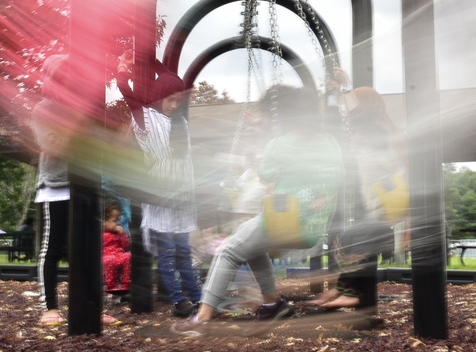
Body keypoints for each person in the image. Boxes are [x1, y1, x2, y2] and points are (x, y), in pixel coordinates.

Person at [172, 85, 343, 336]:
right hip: (315, 227)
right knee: (248, 242)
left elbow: (267, 175)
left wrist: (258, 156)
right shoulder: (331, 142)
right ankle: (273, 302)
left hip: (285, 223)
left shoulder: (279, 144)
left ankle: (202, 317)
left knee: (228, 250)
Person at [33, 54, 120, 326]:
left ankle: (93, 305)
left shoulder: (86, 109)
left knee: (89, 248)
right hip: (57, 186)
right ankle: (50, 308)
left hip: (84, 186)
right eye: (62, 79)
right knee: (53, 248)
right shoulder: (43, 110)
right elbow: (55, 147)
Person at [311, 69, 406, 312]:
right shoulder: (377, 131)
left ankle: (353, 294)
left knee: (359, 242)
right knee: (356, 242)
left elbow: (358, 115)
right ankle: (344, 290)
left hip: (381, 202)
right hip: (377, 201)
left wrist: (345, 89)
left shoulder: (377, 131)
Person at [116, 52, 203, 318]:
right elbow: (130, 97)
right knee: (166, 253)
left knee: (184, 252)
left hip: (182, 195)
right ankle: (178, 301)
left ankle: (199, 299)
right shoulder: (147, 119)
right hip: (162, 195)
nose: (174, 104)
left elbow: (171, 80)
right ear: (158, 96)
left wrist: (152, 61)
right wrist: (122, 71)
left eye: (178, 99)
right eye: (169, 99)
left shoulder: (181, 123)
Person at [103, 200, 132, 302]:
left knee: (128, 256)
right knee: (109, 261)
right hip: (107, 255)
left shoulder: (118, 233)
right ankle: (111, 287)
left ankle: (125, 285)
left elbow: (126, 246)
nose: (118, 223)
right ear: (104, 222)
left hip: (118, 253)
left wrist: (123, 235)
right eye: (115, 220)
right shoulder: (101, 234)